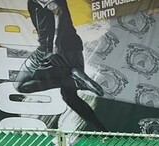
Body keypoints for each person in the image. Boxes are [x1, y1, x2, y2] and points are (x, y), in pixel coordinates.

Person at [15, 0, 106, 132]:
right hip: (72, 46)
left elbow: (59, 11)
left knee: (20, 85)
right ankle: (102, 130)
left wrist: (56, 45)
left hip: (51, 49)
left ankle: (72, 80)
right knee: (69, 95)